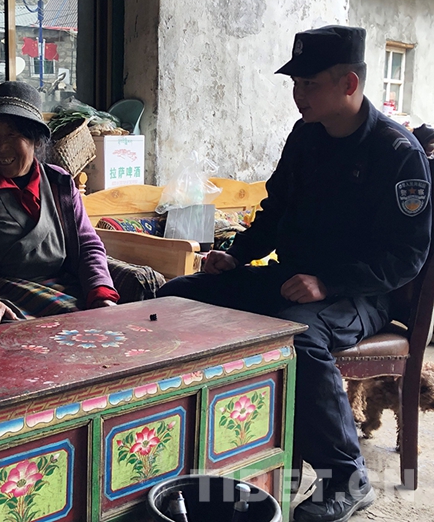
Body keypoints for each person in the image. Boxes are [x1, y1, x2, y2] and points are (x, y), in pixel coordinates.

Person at [157, 26, 432, 522]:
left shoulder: (397, 152)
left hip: (361, 295)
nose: (298, 94)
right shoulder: (306, 136)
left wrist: (329, 284)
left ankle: (346, 478)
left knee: (299, 335)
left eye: (309, 84)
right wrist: (236, 255)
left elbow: (406, 258)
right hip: (291, 279)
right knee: (177, 296)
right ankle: (194, 445)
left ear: (348, 84)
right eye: (295, 83)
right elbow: (274, 212)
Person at [0, 81, 119, 327]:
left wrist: (100, 294)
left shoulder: (60, 183)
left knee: (102, 318)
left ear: (37, 141)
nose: (1, 147)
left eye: (12, 135)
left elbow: (88, 246)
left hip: (56, 288)